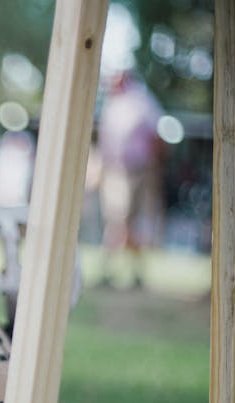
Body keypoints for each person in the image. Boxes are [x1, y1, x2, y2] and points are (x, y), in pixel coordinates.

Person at [95, 69, 167, 288]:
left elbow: (157, 136)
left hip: (137, 170)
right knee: (117, 220)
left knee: (130, 222)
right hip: (115, 170)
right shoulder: (111, 104)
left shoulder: (141, 101)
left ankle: (133, 273)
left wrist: (152, 167)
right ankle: (115, 271)